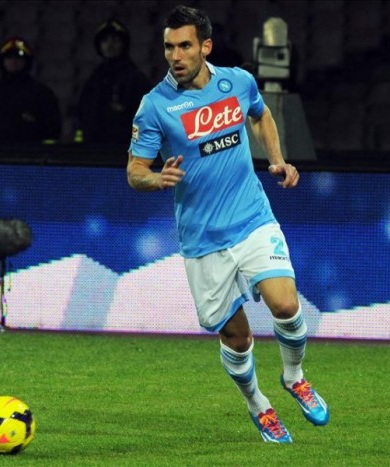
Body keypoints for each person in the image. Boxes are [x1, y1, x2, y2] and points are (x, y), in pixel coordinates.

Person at [126, 5, 329, 443]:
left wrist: (276, 159)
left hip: (252, 218)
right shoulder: (155, 106)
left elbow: (260, 114)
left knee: (286, 306)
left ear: (205, 46)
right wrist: (155, 179)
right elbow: (134, 171)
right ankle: (259, 405)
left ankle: (294, 377)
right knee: (237, 338)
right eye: (168, 47)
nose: (175, 56)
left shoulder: (237, 81)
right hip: (203, 240)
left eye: (184, 46)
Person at [0, 37, 62, 143]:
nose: (13, 61)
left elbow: (53, 130)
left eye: (18, 57)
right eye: (9, 57)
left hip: (29, 151)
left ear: (26, 61)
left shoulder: (42, 94)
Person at [75, 19, 151, 144]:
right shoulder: (94, 79)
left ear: (124, 44)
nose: (109, 45)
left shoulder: (136, 79)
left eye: (115, 40)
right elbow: (82, 114)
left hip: (123, 150)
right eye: (105, 41)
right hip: (93, 149)